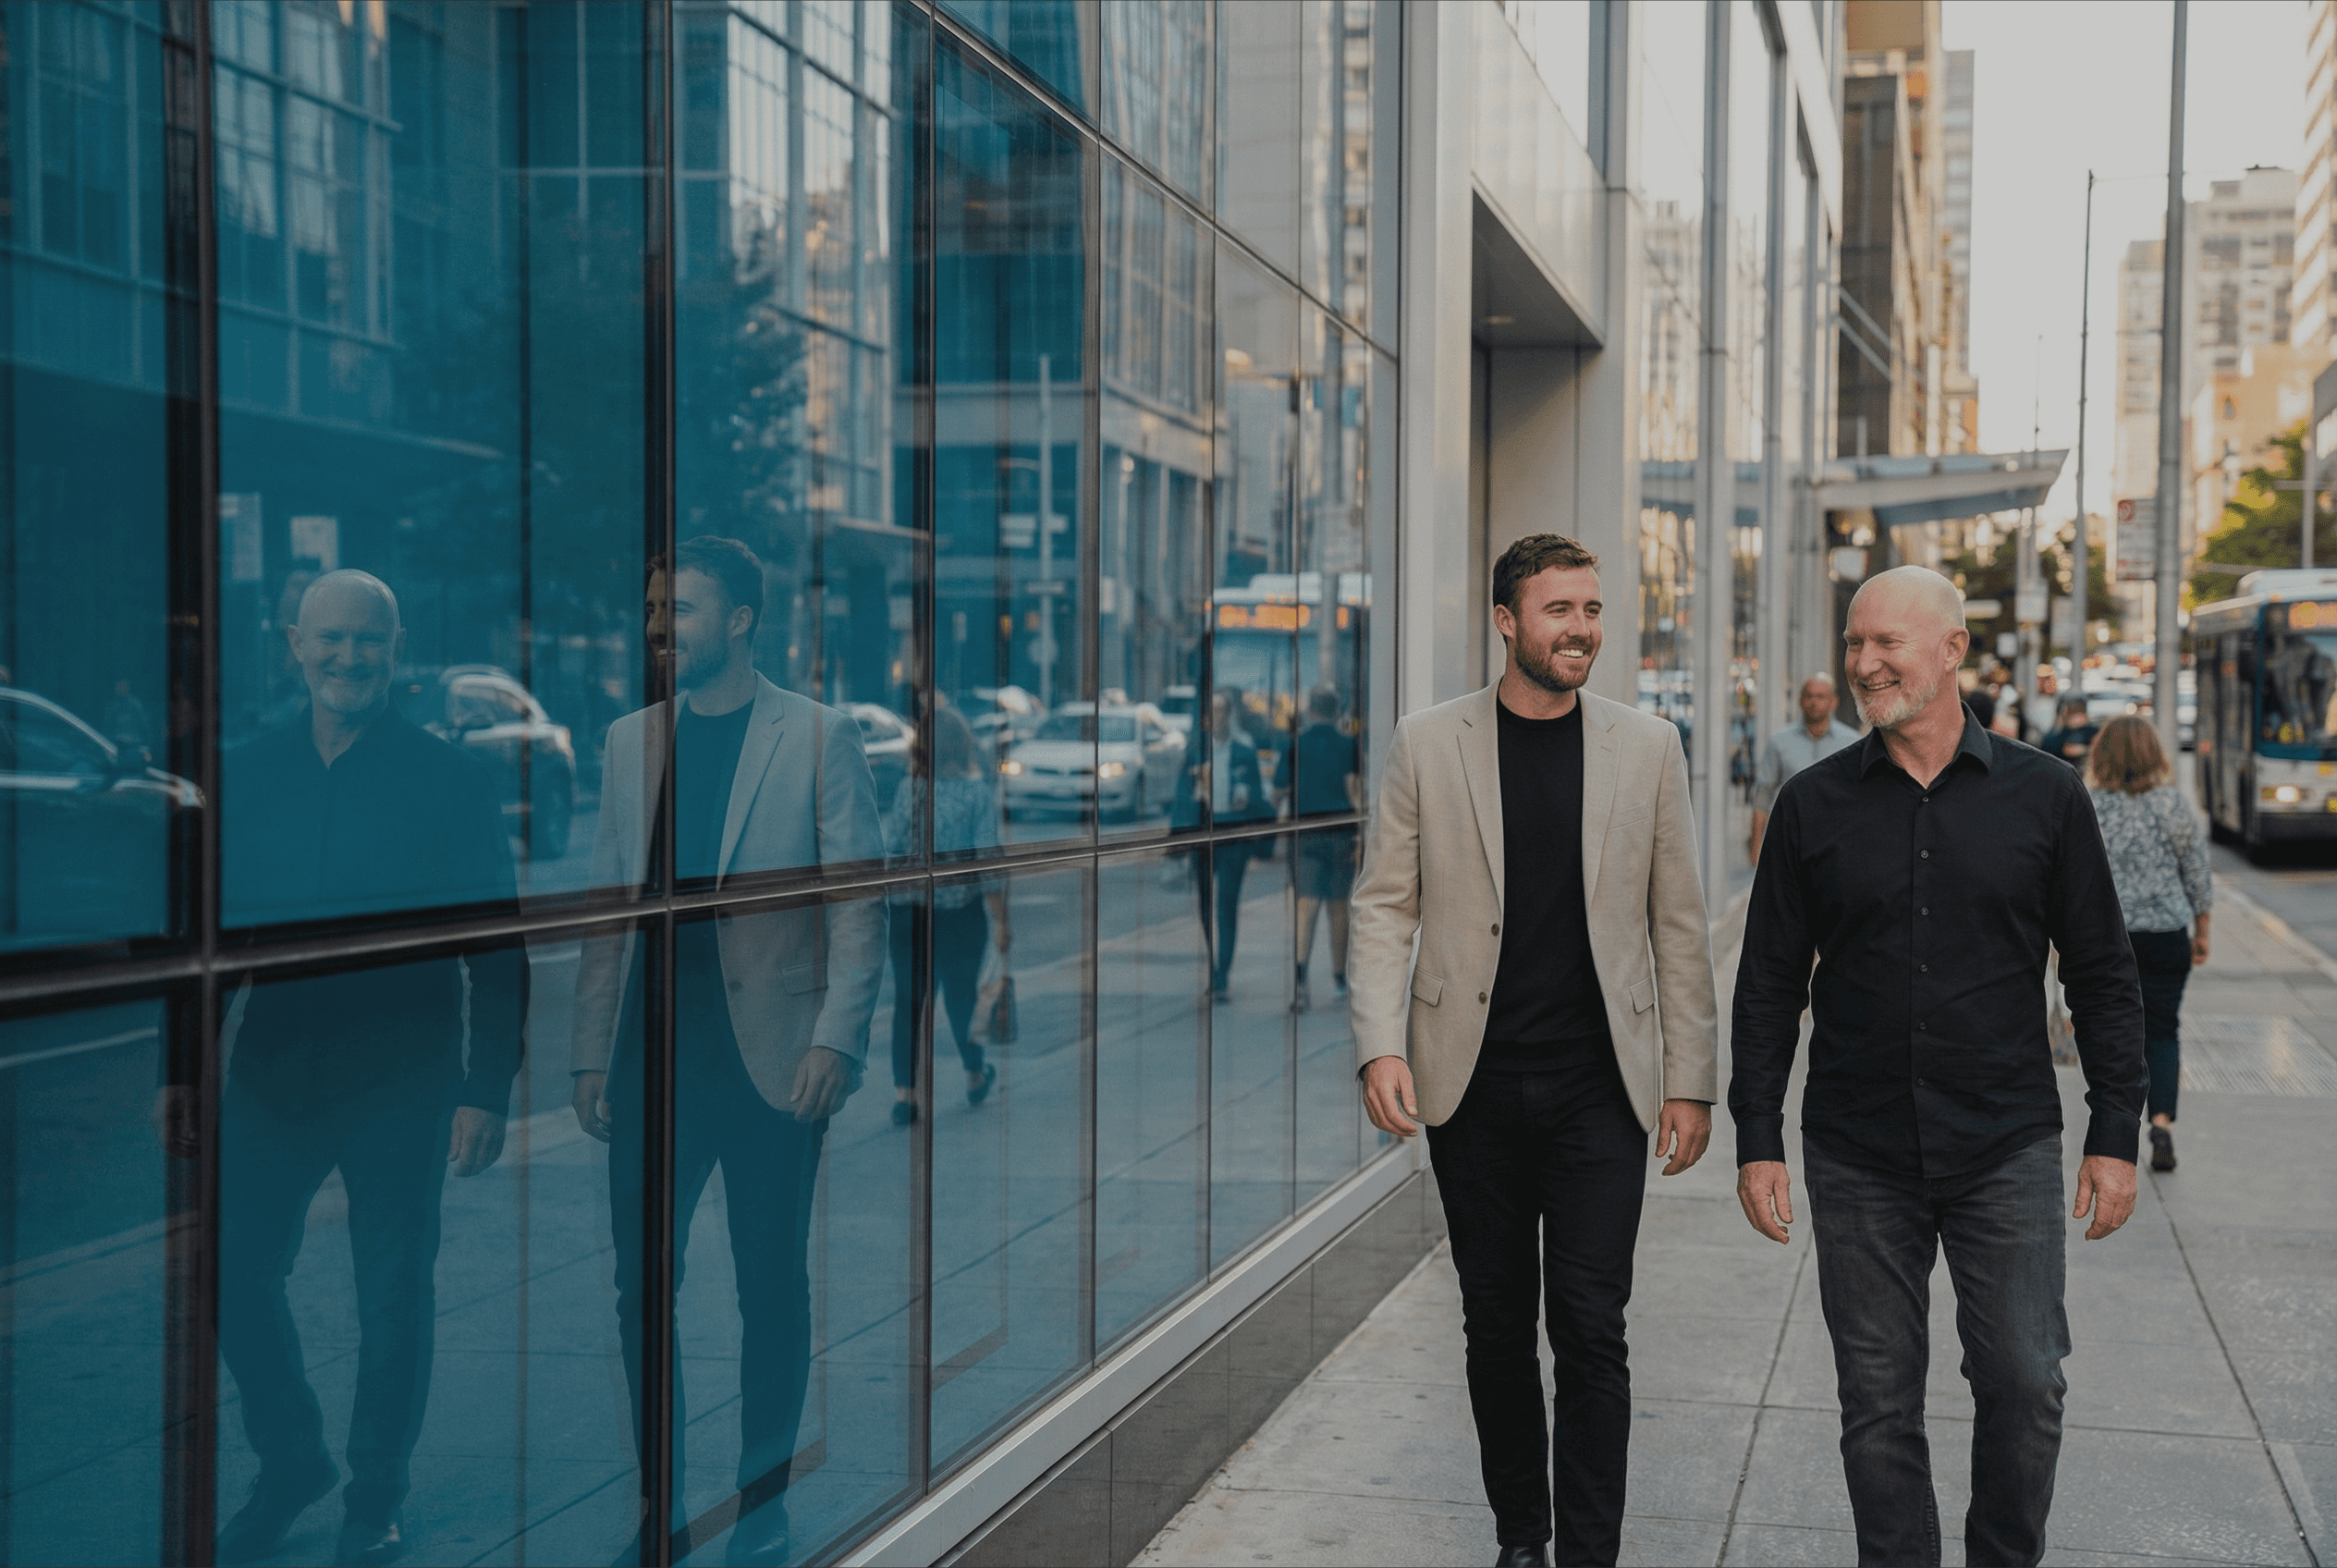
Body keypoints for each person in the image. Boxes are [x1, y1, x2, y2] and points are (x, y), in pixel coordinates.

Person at [1731, 566, 2147, 1568]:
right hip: (1855, 1144)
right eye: (1854, 642)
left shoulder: (2045, 796)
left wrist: (2114, 1132)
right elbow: (1766, 982)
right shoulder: (1810, 805)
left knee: (2024, 1379)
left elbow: (2100, 971)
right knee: (1874, 1402)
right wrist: (1756, 1137)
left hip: (2001, 1137)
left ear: (1951, 650)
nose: (1863, 662)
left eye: (1887, 643)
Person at [1350, 533, 1719, 1568]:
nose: (1581, 630)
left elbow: (1676, 925)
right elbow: (1384, 904)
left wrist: (1691, 1079)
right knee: (1495, 1328)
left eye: (1592, 609)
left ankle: (1587, 1552)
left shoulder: (1647, 746)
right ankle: (1522, 1533)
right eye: (1559, 610)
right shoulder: (1428, 742)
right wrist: (1380, 1044)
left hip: (1601, 1090)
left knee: (1592, 1328)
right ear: (1507, 622)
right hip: (1469, 1085)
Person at [188, 570, 526, 1567]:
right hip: (271, 1071)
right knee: (232, 1273)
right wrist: (180, 1068)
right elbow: (204, 937)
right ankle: (291, 1459)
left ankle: (374, 1494)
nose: (348, 657)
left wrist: (484, 1089)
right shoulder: (245, 771)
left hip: (401, 1078)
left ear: (397, 646)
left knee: (391, 1297)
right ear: (293, 642)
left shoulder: (445, 776)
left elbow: (495, 948)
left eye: (367, 641)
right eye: (329, 639)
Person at [569, 536, 885, 1568]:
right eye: (660, 608)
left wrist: (837, 1036)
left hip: (771, 1058)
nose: (665, 627)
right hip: (648, 1060)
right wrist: (587, 1051)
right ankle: (658, 1504)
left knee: (768, 1284)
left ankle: (762, 1499)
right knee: (635, 1288)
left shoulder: (815, 734)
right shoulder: (627, 741)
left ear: (742, 619)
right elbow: (611, 904)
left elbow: (856, 902)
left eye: (686, 609)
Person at [2087, 715, 2210, 1173]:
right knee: (2162, 1031)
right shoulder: (2173, 806)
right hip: (2165, 935)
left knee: (2114, 1036)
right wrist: (2203, 930)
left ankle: (2116, 1128)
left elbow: (2073, 880)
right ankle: (2161, 1123)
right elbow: (2196, 873)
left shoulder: (2092, 807)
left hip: (2108, 940)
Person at [883, 695, 1007, 1124]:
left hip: (907, 913)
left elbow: (893, 845)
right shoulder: (976, 794)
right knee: (960, 998)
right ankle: (974, 1076)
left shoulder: (908, 790)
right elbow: (989, 859)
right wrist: (1002, 919)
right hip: (959, 914)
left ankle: (906, 1095)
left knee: (908, 1002)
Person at [1173, 689, 1274, 1001]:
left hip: (1232, 834)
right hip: (1204, 832)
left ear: (1228, 715)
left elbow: (1258, 798)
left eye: (1221, 711)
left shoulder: (1243, 752)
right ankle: (1214, 960)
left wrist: (1250, 805)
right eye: (1211, 712)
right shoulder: (1197, 751)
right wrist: (1177, 840)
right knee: (1205, 902)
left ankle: (1222, 974)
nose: (1216, 718)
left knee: (1227, 904)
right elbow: (1181, 796)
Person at [1287, 685, 1363, 1011]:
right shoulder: (1349, 745)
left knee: (1306, 906)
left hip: (1305, 834)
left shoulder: (1296, 745)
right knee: (1337, 908)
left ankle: (1301, 978)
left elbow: (1278, 790)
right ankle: (1338, 979)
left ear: (1311, 711)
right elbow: (1355, 790)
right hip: (1341, 834)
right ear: (1334, 713)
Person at [1748, 673, 1859, 864]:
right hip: (1789, 841)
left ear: (1834, 702)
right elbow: (1763, 795)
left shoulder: (1853, 742)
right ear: (1800, 700)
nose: (1814, 702)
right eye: (1809, 696)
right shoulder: (1779, 741)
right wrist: (1755, 847)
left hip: (1838, 844)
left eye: (1821, 696)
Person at [2037, 694, 2098, 772]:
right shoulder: (2057, 732)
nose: (2076, 717)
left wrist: (2085, 749)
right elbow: (2046, 749)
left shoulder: (2091, 730)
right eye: (2072, 713)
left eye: (2079, 712)